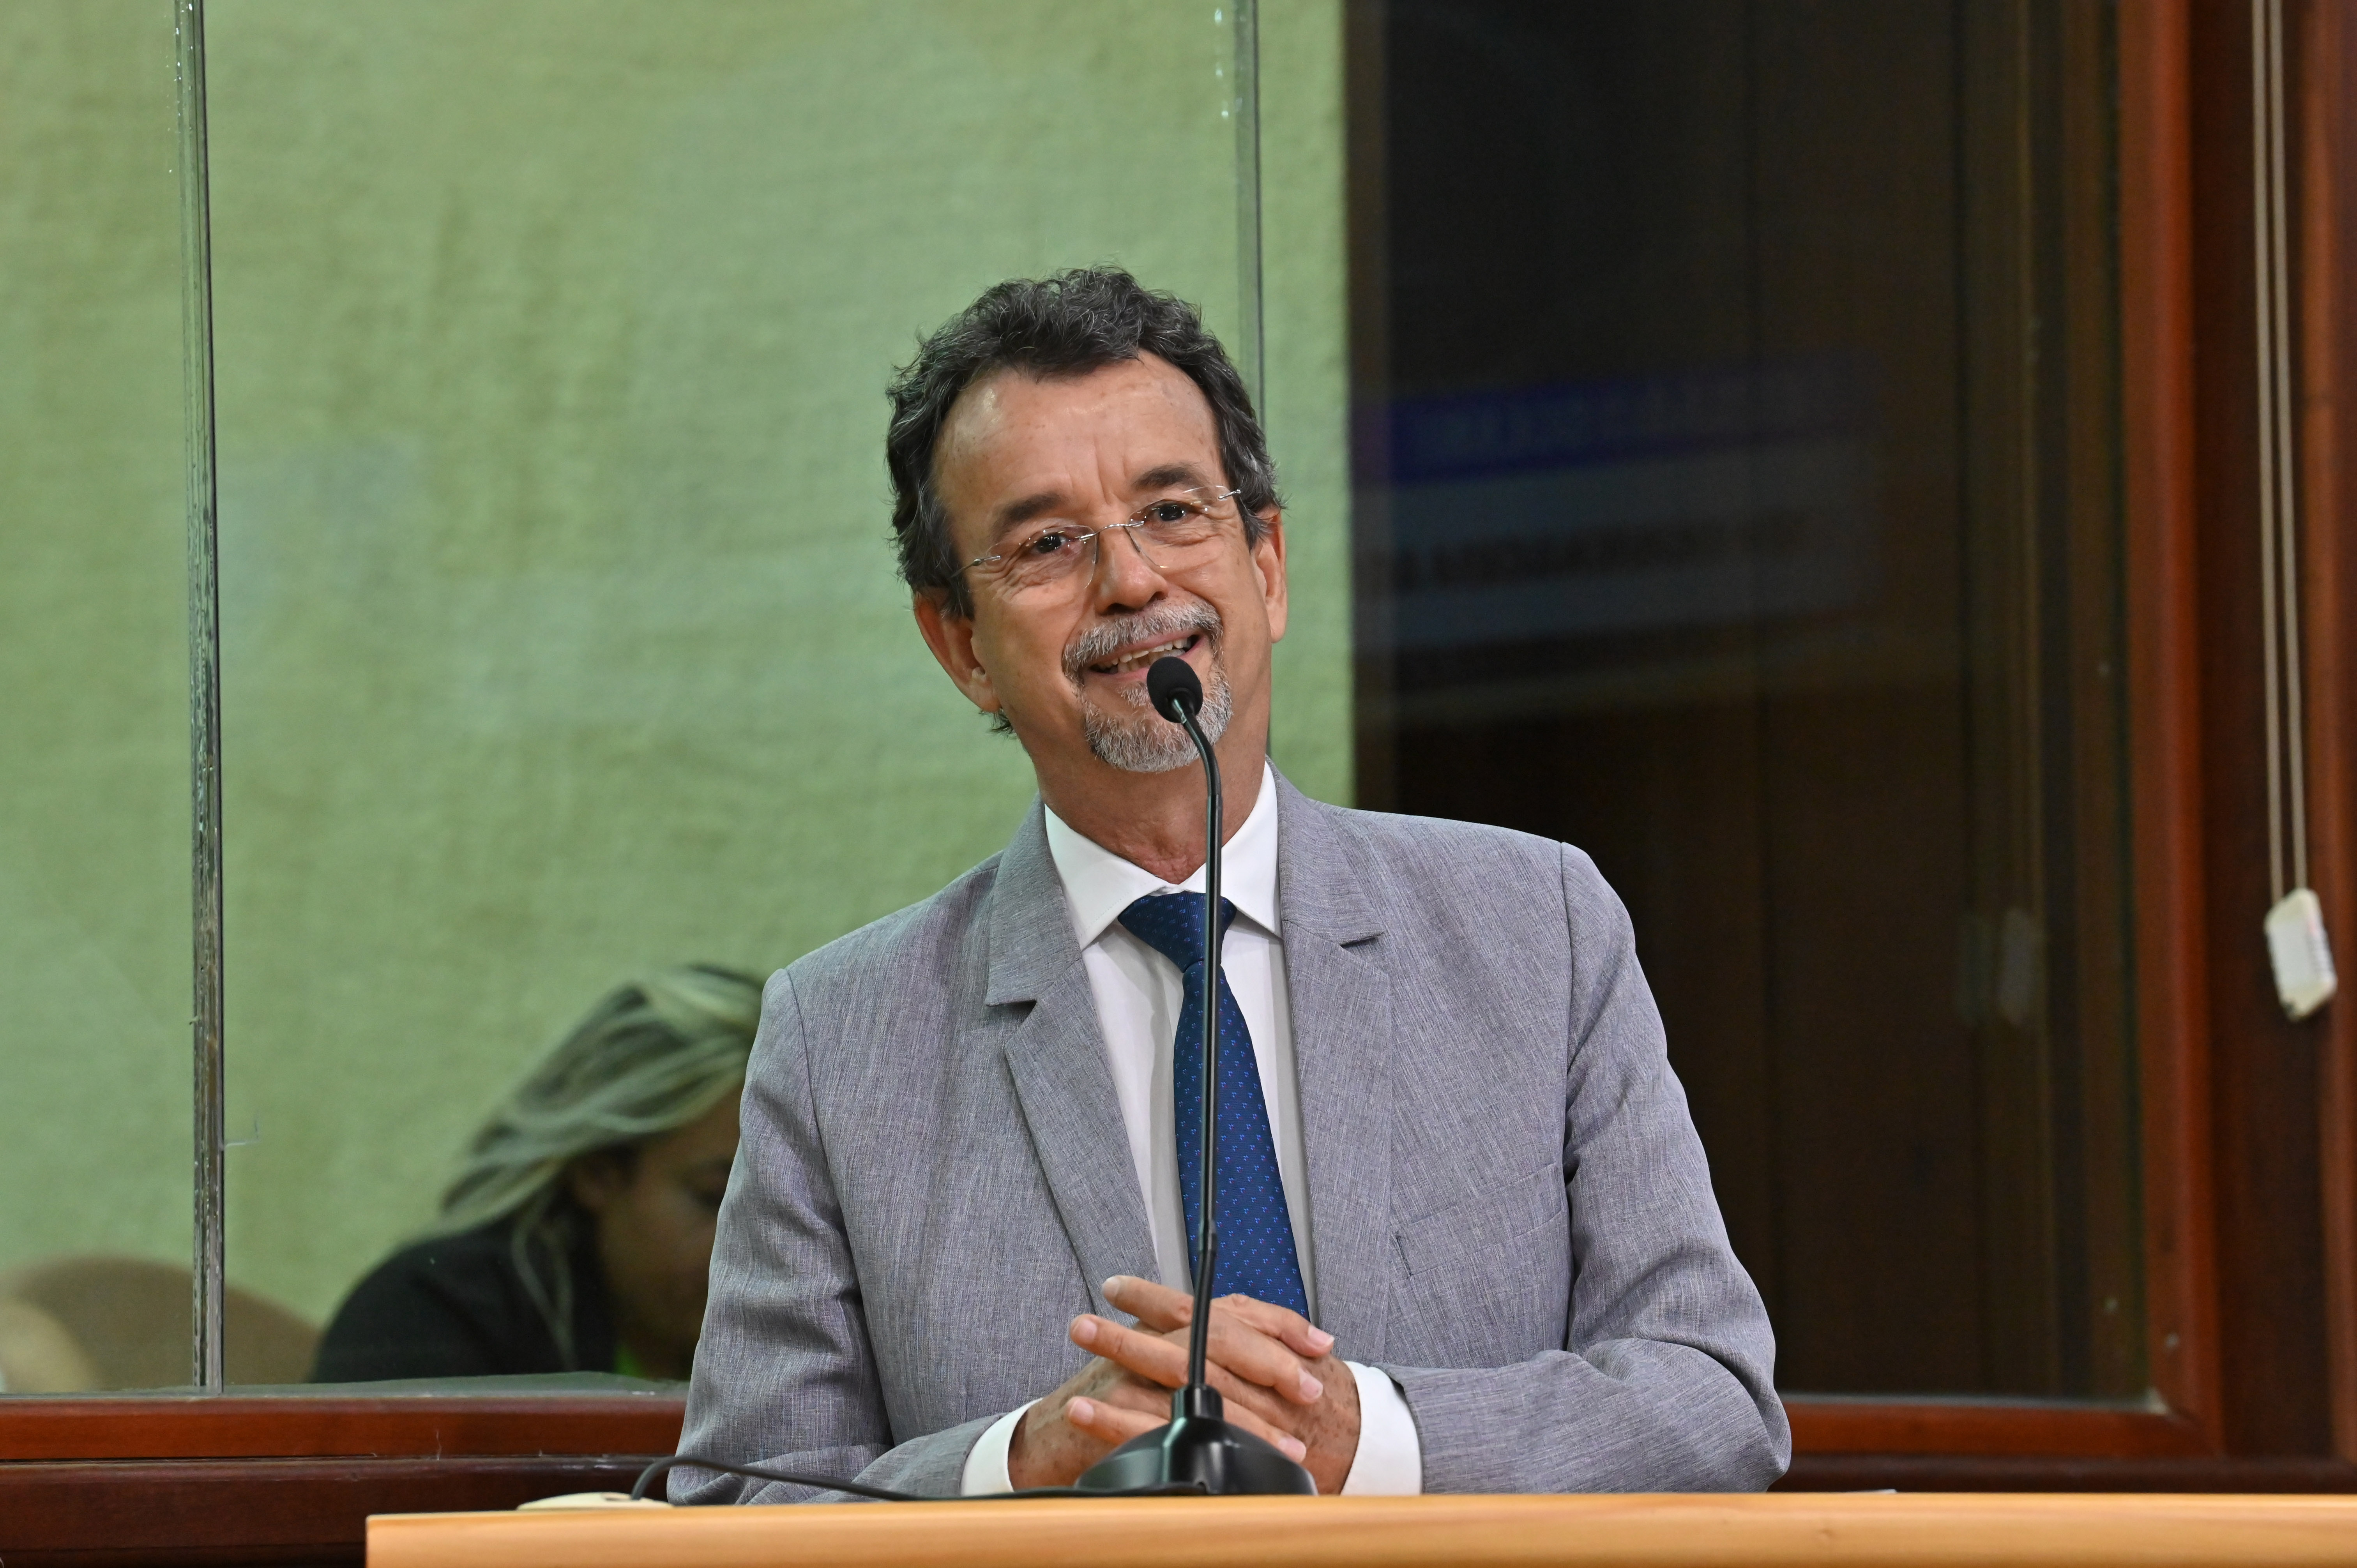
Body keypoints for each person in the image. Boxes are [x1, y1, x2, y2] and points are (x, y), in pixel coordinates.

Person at [677, 268, 1787, 1498]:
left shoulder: (1538, 930)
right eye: (1048, 544)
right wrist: (1021, 1466)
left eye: (1172, 512)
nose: (1132, 582)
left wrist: (1366, 1436)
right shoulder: (840, 1041)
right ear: (960, 646)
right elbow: (737, 1495)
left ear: (1268, 564)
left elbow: (1712, 1405)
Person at [312, 965, 759, 1383]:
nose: (765, 1246)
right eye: (715, 1197)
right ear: (598, 1172)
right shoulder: (431, 1317)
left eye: (788, 1209)